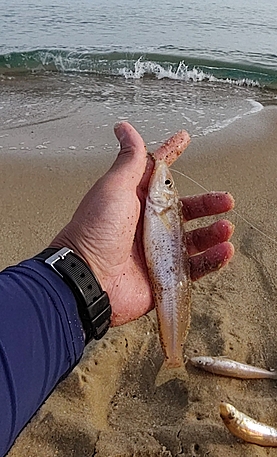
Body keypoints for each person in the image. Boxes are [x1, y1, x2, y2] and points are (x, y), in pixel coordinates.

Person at [0, 122, 235, 456]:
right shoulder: (157, 203)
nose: (161, 183)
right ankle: (173, 357)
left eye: (165, 184)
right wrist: (87, 262)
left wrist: (80, 273)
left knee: (178, 286)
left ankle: (173, 357)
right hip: (52, 313)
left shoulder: (164, 206)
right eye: (166, 183)